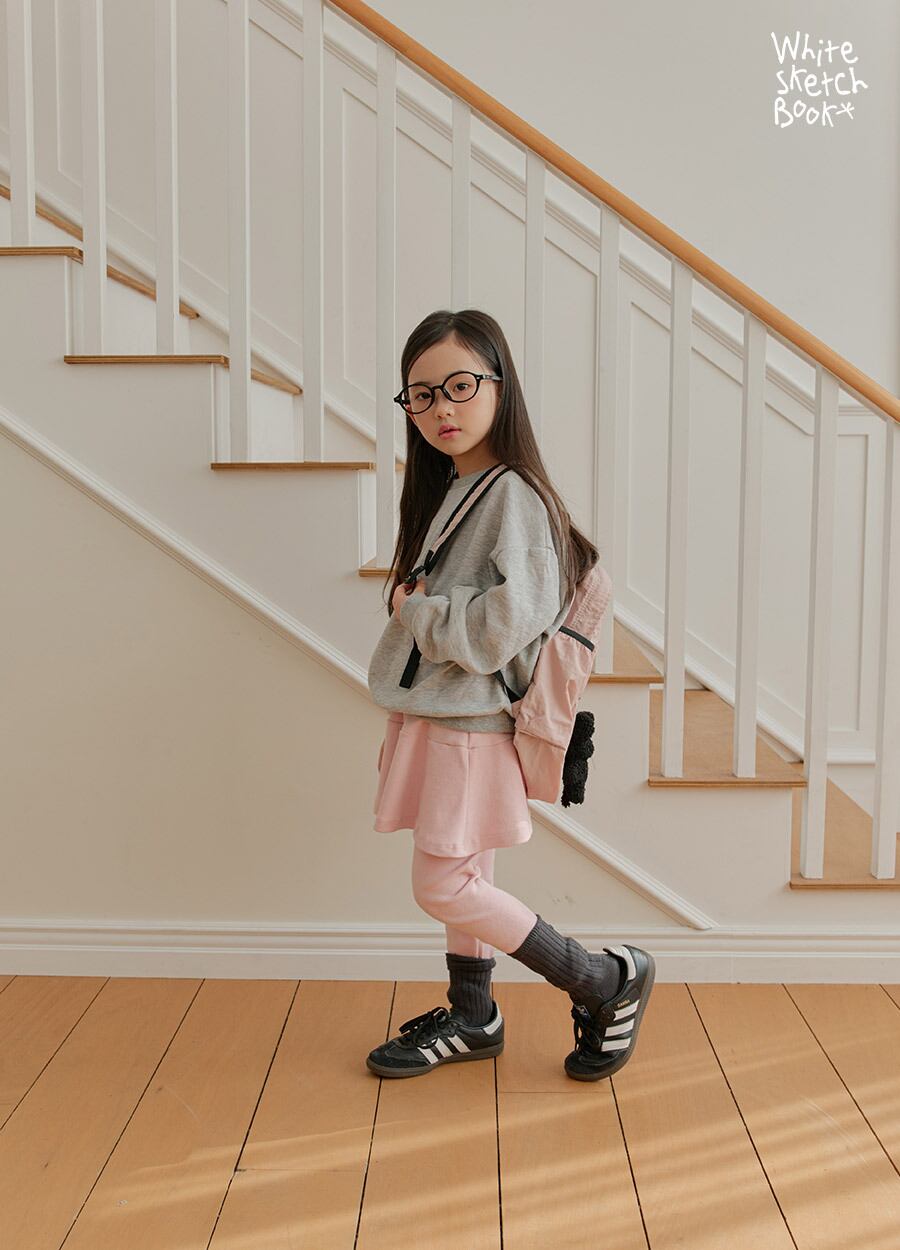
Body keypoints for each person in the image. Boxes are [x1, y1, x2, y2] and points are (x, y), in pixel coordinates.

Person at [365, 308, 655, 1082]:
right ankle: (472, 1014)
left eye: (460, 386)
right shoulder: (462, 487)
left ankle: (601, 979)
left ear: (501, 387)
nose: (441, 409)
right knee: (471, 873)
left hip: (469, 723)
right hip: (446, 715)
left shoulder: (512, 495)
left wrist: (413, 611)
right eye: (421, 395)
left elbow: (501, 629)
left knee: (443, 884)